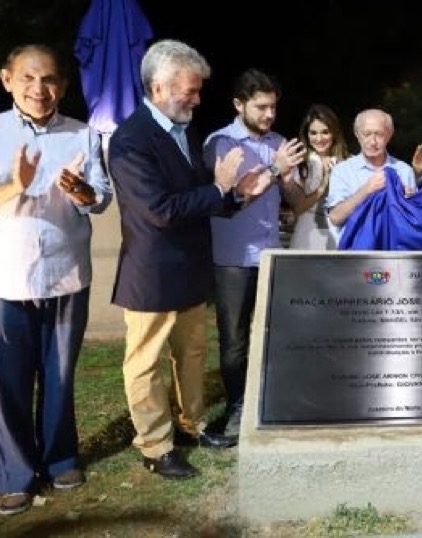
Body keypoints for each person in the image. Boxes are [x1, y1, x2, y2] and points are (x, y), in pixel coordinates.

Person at [109, 39, 269, 480]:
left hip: (190, 269)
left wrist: (237, 194)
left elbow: (199, 198)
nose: (198, 99)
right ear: (159, 87)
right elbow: (160, 210)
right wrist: (219, 189)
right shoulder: (130, 140)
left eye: (199, 90)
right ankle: (155, 445)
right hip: (152, 275)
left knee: (193, 353)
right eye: (191, 90)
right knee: (144, 364)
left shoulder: (183, 130)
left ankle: (193, 424)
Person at [0, 44, 113, 515]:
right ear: (7, 79)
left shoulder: (82, 134)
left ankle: (60, 457)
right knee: (5, 381)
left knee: (59, 375)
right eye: (28, 78)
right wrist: (15, 185)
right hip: (1, 276)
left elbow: (101, 197)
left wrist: (83, 192)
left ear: (63, 86)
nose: (39, 89)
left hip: (65, 274)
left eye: (49, 80)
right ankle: (14, 473)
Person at [203, 69, 306, 438]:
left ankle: (271, 401)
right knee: (234, 340)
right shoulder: (221, 143)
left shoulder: (279, 142)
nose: (268, 115)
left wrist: (292, 180)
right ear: (238, 105)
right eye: (261, 107)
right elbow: (234, 198)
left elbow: (295, 201)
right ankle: (237, 408)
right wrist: (275, 168)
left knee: (274, 334)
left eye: (273, 108)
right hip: (233, 256)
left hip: (271, 253)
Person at [326, 108, 417, 240]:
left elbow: (414, 222)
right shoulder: (342, 170)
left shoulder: (404, 170)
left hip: (394, 253)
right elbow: (335, 217)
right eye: (367, 134)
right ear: (357, 135)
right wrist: (366, 190)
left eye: (379, 134)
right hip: (355, 253)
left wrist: (409, 202)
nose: (373, 141)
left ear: (389, 135)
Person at [289, 103, 349, 250]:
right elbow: (298, 208)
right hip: (307, 233)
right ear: (306, 134)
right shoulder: (299, 163)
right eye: (313, 133)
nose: (319, 138)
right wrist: (323, 184)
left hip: (340, 233)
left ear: (334, 133)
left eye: (325, 132)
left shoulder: (348, 163)